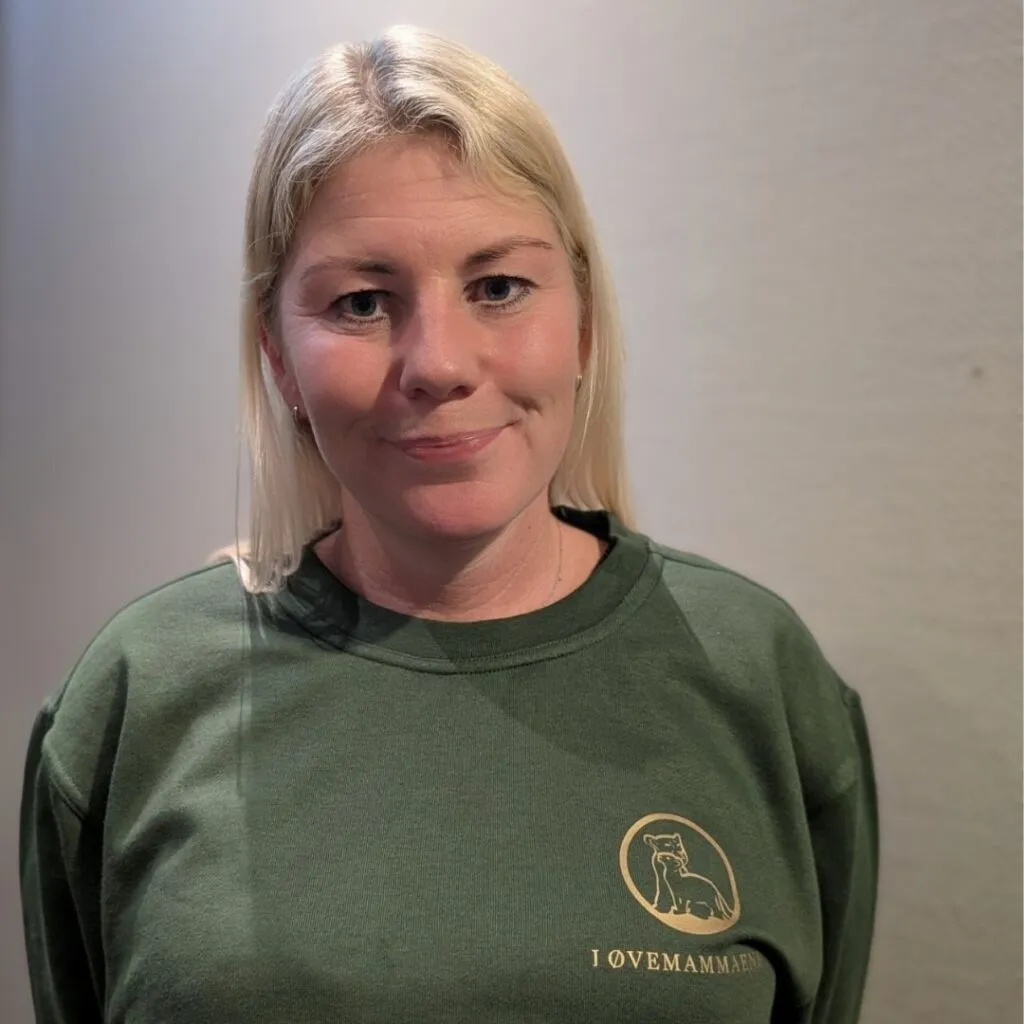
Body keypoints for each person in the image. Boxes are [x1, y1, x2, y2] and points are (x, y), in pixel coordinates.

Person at [19, 25, 878, 1024]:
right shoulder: (138, 696)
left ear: (582, 322)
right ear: (279, 357)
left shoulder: (759, 679)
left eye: (498, 287)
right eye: (361, 301)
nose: (438, 363)